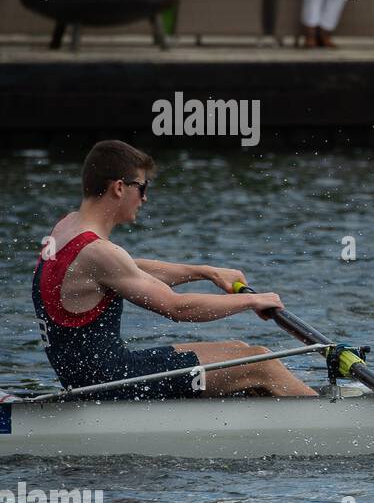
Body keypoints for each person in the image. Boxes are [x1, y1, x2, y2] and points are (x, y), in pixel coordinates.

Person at [33, 141, 316, 400]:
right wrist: (253, 300)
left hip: (93, 377)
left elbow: (131, 269)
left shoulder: (67, 228)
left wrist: (206, 272)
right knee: (261, 362)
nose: (144, 199)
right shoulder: (99, 252)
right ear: (119, 188)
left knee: (238, 350)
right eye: (142, 188)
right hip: (111, 384)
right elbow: (177, 308)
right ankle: (324, 418)